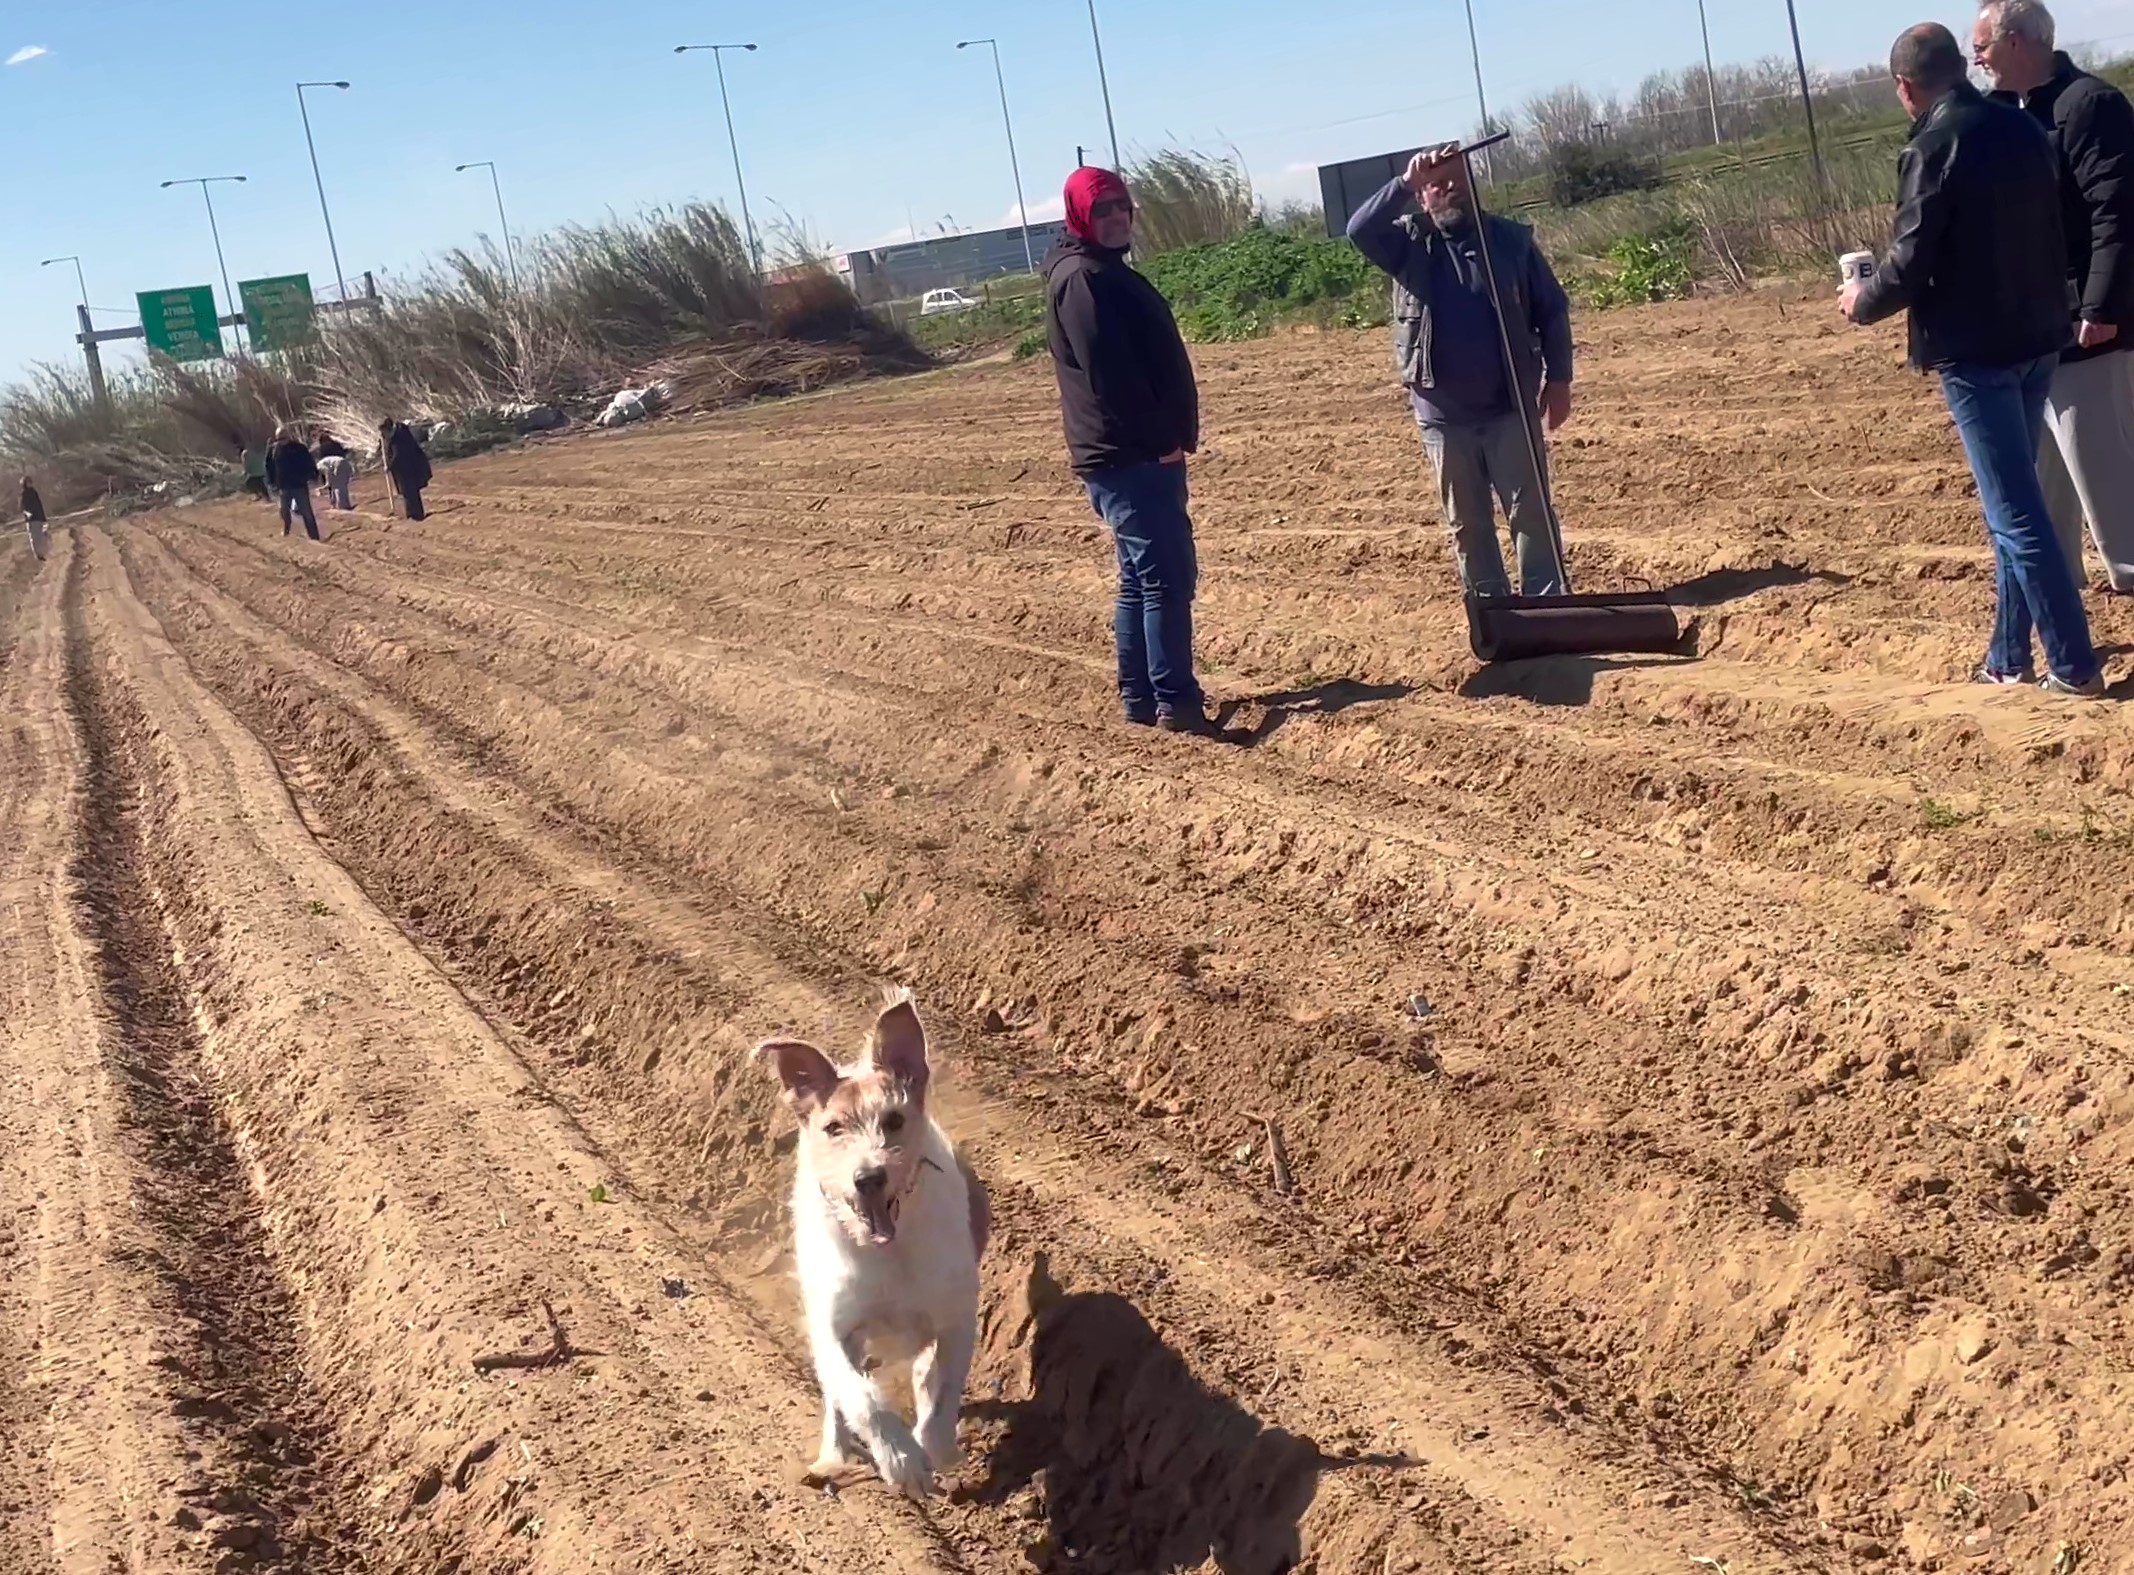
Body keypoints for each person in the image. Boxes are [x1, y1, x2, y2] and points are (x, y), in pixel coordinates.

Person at [1843, 23, 2106, 697]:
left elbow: (1909, 258)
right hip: (2039, 336)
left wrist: (1861, 299)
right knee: (2009, 509)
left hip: (1976, 350)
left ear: (1905, 87)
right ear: (1961, 67)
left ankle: (2074, 665)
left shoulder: (1935, 143)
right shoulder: (2021, 127)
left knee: (2018, 515)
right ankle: (2007, 657)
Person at [1347, 141, 1575, 599]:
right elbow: (1358, 229)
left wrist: (1560, 378)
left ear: (1472, 183)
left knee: (1530, 511)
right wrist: (1404, 181)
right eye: (1433, 184)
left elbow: (1551, 310)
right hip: (1443, 417)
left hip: (1509, 406)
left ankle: (1548, 606)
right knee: (1467, 524)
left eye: (1454, 178)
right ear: (1421, 196)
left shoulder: (1510, 242)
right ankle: (1493, 613)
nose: (1445, 188)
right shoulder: (1407, 245)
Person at [1042, 165, 1215, 734]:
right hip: (1130, 456)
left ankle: (1142, 698)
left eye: (1122, 207)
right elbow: (1111, 377)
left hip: (1129, 453)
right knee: (1165, 576)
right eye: (1103, 211)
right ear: (1080, 217)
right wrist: (1163, 441)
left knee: (1142, 577)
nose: (1116, 219)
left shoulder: (1099, 270)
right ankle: (1176, 703)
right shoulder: (1084, 279)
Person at [1975, 0, 2134, 596]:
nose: (1977, 58)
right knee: (2044, 500)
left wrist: (2100, 308)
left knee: (2114, 502)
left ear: (2017, 42)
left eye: (1983, 46)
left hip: (2086, 335)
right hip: (2027, 337)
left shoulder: (2089, 105)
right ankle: (2064, 628)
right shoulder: (2000, 116)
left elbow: (2115, 215)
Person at [270, 423, 322, 541]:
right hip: (283, 486)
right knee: (283, 511)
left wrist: (312, 475)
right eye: (278, 439)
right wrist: (272, 482)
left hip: (299, 485)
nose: (280, 441)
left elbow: (309, 462)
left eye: (283, 438)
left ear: (288, 436)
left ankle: (314, 536)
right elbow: (269, 467)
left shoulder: (299, 448)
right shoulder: (273, 451)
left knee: (306, 513)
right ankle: (286, 528)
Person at [380, 418, 432, 522]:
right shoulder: (401, 433)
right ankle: (417, 514)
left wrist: (389, 466)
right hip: (410, 467)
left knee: (408, 492)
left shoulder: (397, 438)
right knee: (412, 492)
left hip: (406, 470)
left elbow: (397, 455)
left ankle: (413, 515)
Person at [314, 426, 355, 511]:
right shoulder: (336, 444)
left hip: (335, 466)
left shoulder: (322, 450)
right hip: (340, 464)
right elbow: (343, 453)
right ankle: (343, 504)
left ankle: (341, 506)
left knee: (337, 487)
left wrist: (326, 484)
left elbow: (326, 469)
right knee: (341, 486)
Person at [21, 474, 49, 563]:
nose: (30, 484)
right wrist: (27, 514)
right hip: (31, 519)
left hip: (38, 518)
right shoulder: (23, 494)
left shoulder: (34, 492)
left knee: (41, 537)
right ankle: (38, 555)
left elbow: (39, 505)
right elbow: (22, 507)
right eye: (28, 482)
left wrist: (43, 517)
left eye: (30, 482)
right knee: (34, 538)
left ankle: (42, 553)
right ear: (24, 484)